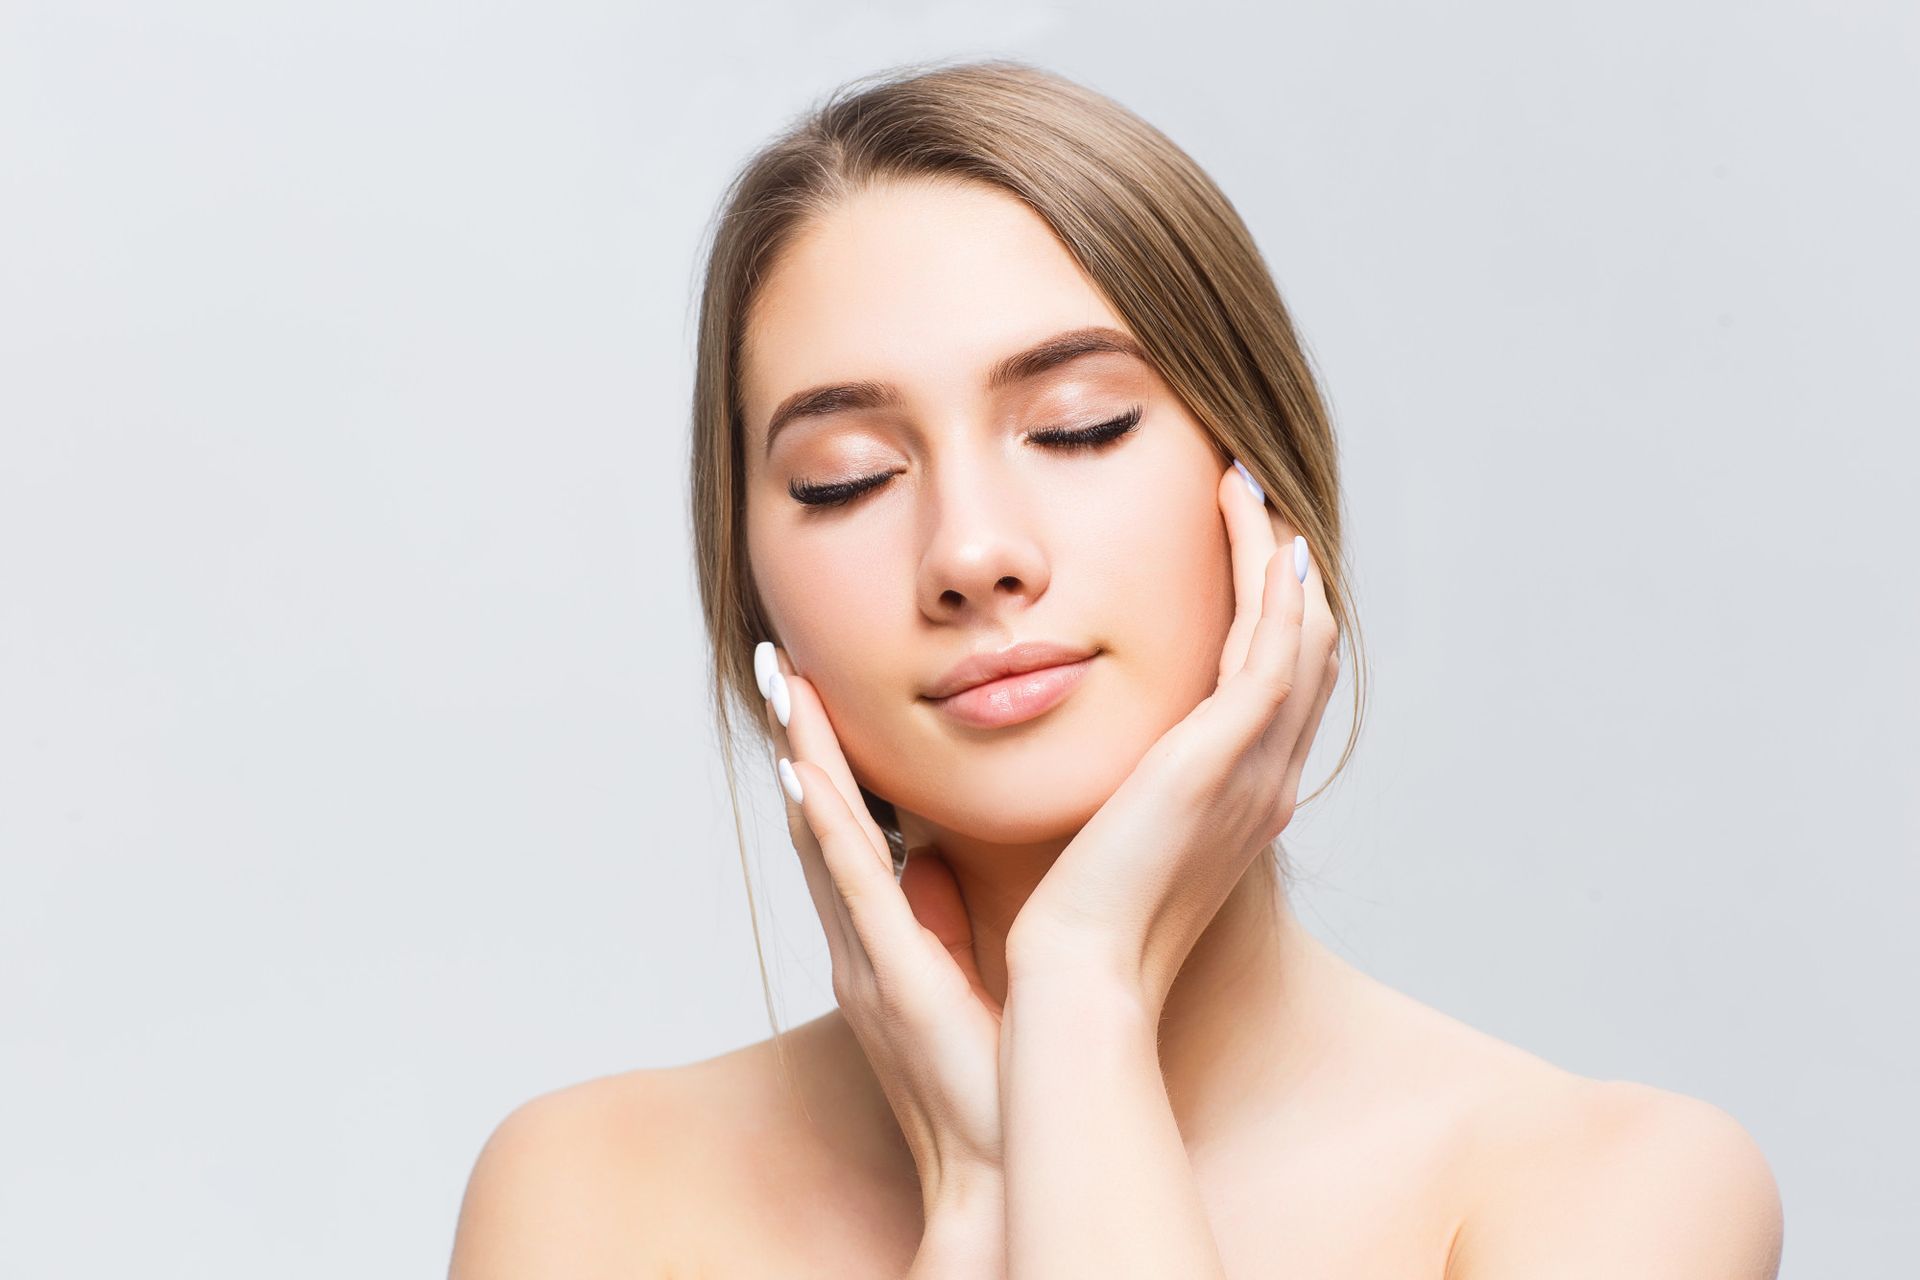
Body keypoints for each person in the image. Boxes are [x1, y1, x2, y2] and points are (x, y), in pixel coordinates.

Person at [448, 57, 1783, 1278]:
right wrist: (975, 1198)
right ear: (752, 591)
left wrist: (1081, 994)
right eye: (845, 479)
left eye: (1077, 428)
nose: (971, 551)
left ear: (1263, 484)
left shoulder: (1608, 1197)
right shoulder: (589, 1200)